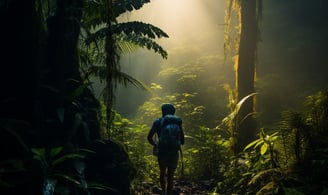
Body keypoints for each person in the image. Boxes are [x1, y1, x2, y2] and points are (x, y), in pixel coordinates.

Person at [147, 103, 185, 195]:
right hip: (174, 151)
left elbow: (149, 137)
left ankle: (163, 192)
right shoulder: (177, 122)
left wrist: (156, 145)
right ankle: (169, 192)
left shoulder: (158, 121)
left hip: (162, 151)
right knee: (171, 174)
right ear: (173, 111)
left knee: (163, 172)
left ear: (162, 111)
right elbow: (183, 140)